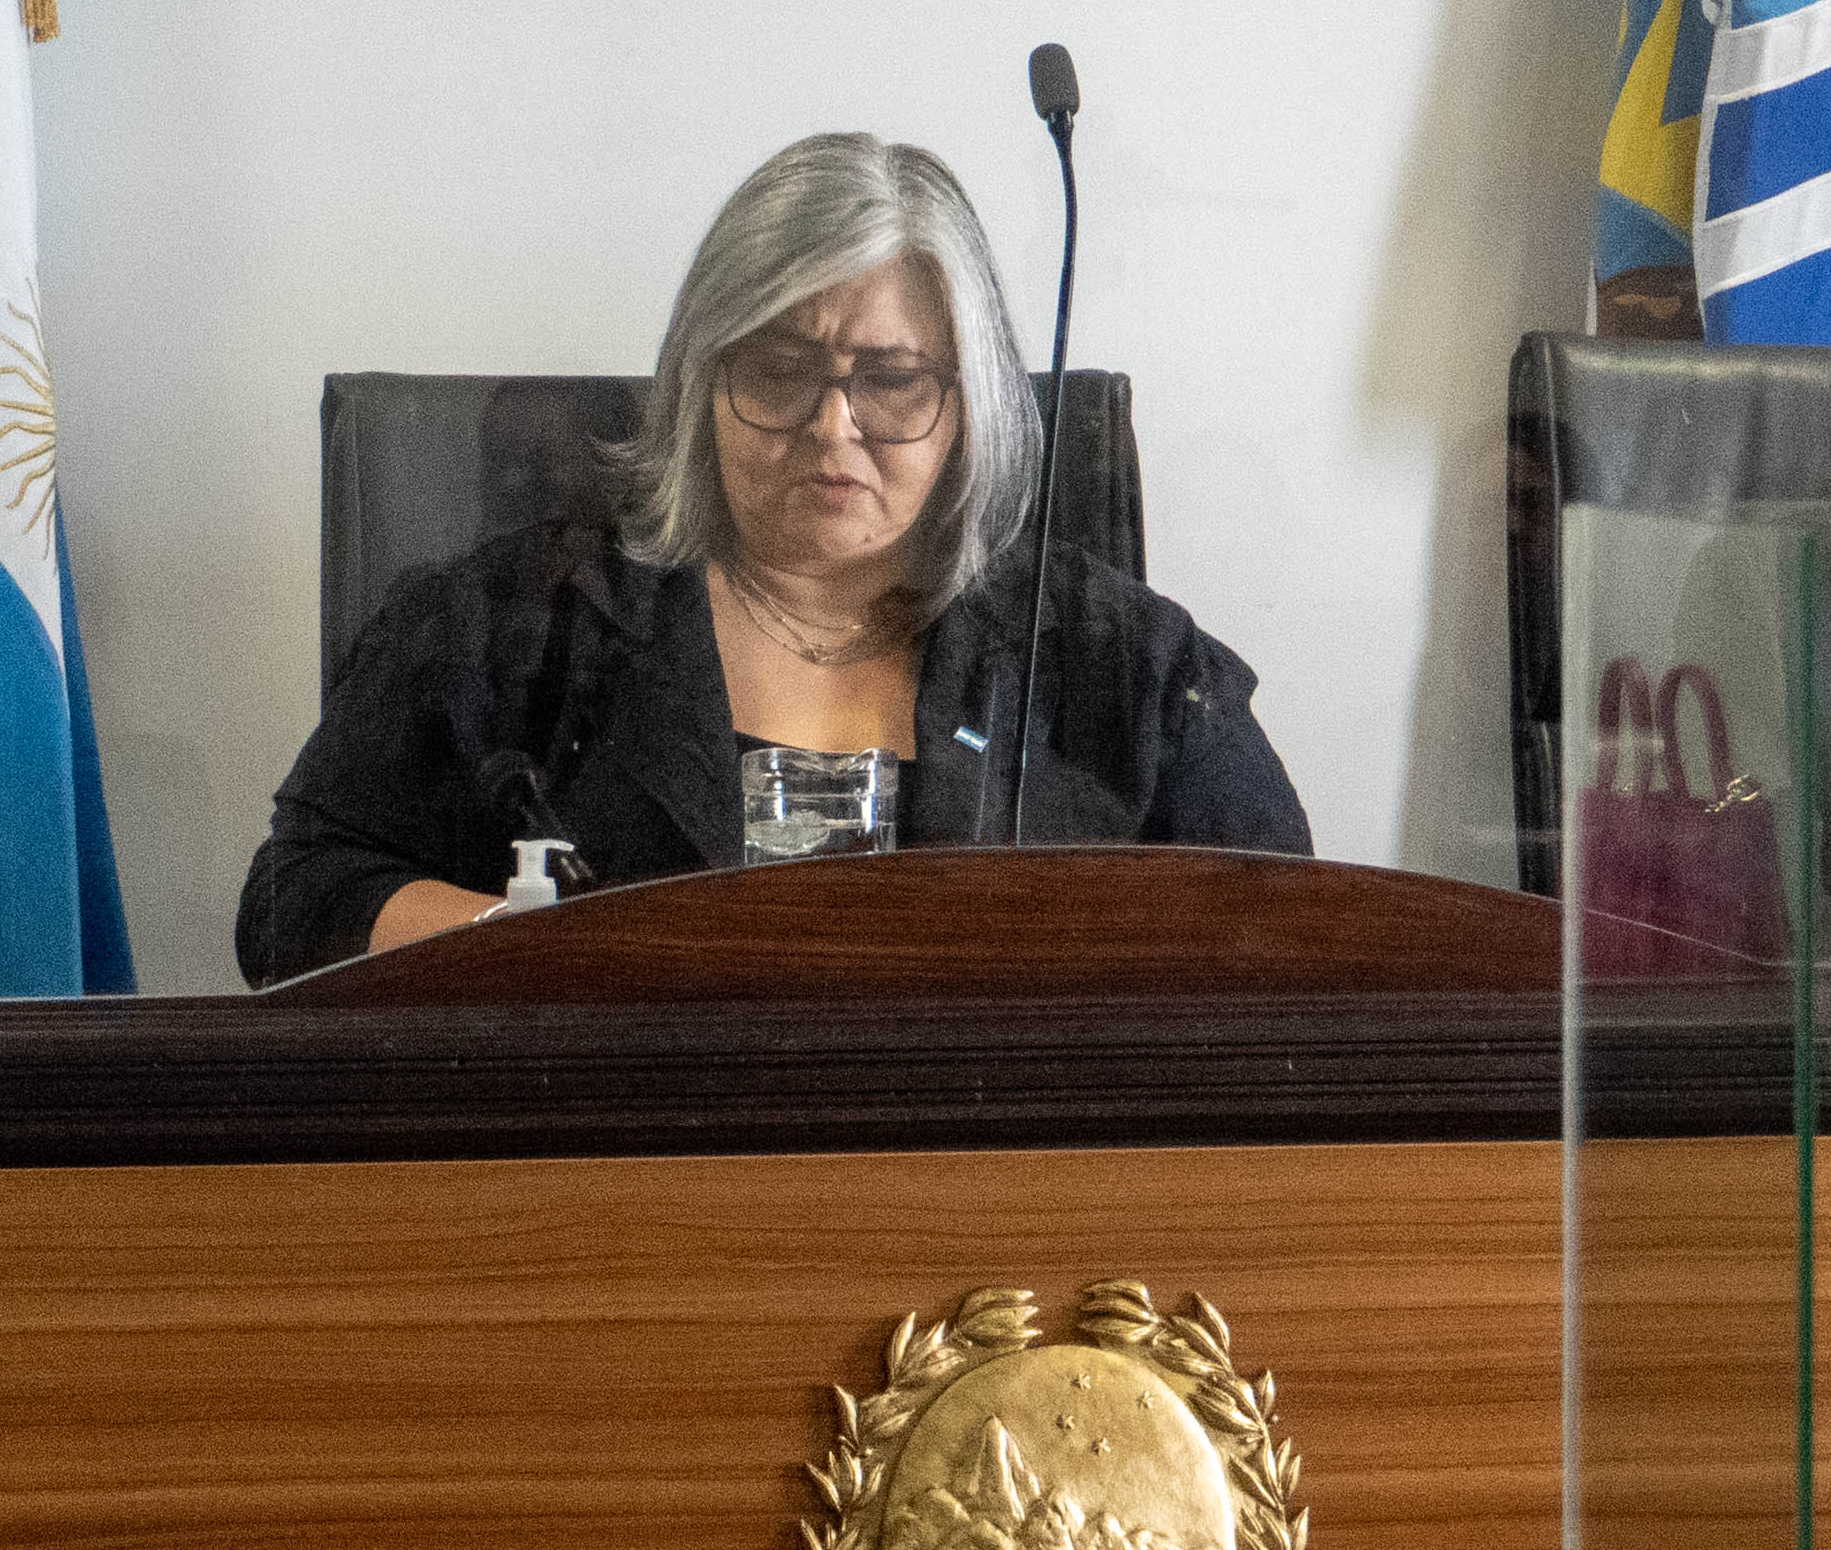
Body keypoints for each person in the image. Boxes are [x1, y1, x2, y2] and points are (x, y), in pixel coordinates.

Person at [238, 132, 1310, 981]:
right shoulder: (512, 628)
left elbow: (1295, 946)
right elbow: (293, 906)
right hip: (611, 1199)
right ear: (702, 381)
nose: (831, 426)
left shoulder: (1124, 666)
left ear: (972, 402)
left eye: (890, 377)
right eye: (780, 368)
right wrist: (548, 956)